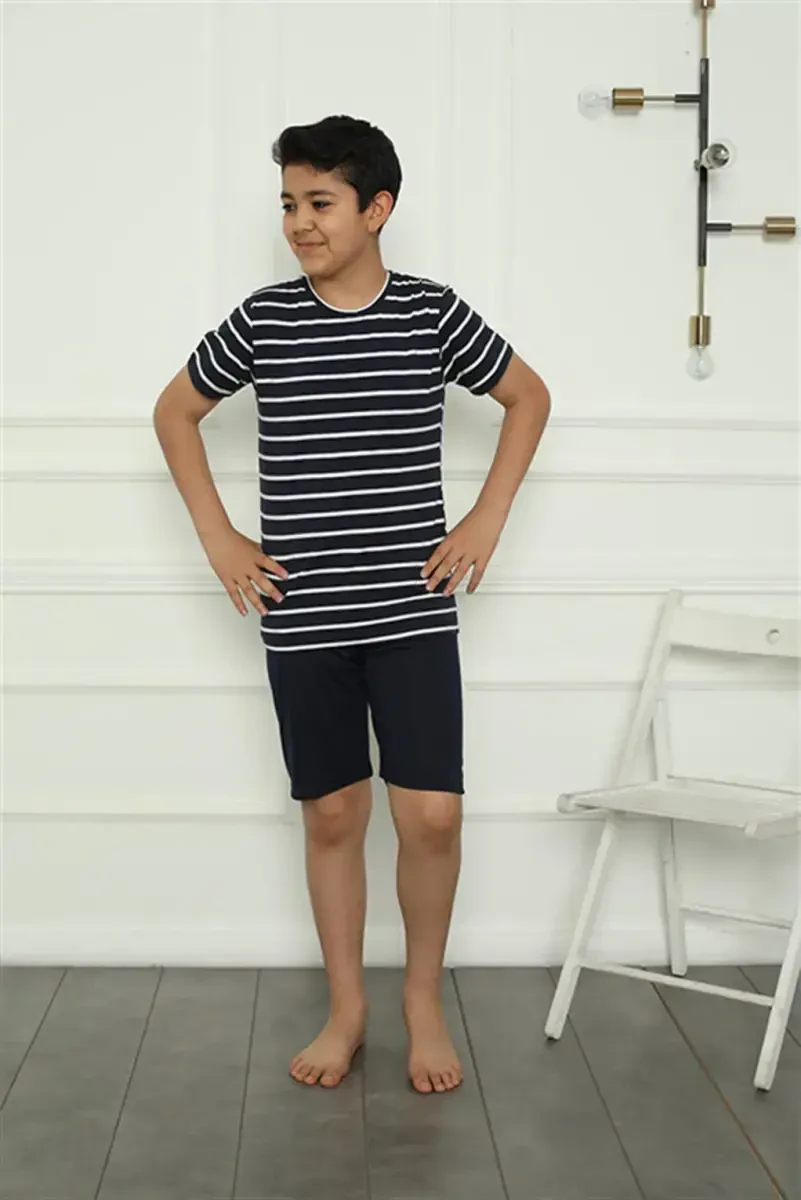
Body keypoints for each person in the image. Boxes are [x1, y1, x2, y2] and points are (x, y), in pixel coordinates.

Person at [153, 114, 550, 1095]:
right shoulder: (264, 321)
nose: (299, 221)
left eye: (320, 202)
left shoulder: (429, 314)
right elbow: (175, 411)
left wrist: (486, 516)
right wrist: (219, 537)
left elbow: (528, 396)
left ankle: (421, 1000)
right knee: (332, 812)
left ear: (377, 209)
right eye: (289, 203)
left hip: (411, 612)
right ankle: (347, 1007)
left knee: (432, 817)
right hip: (305, 617)